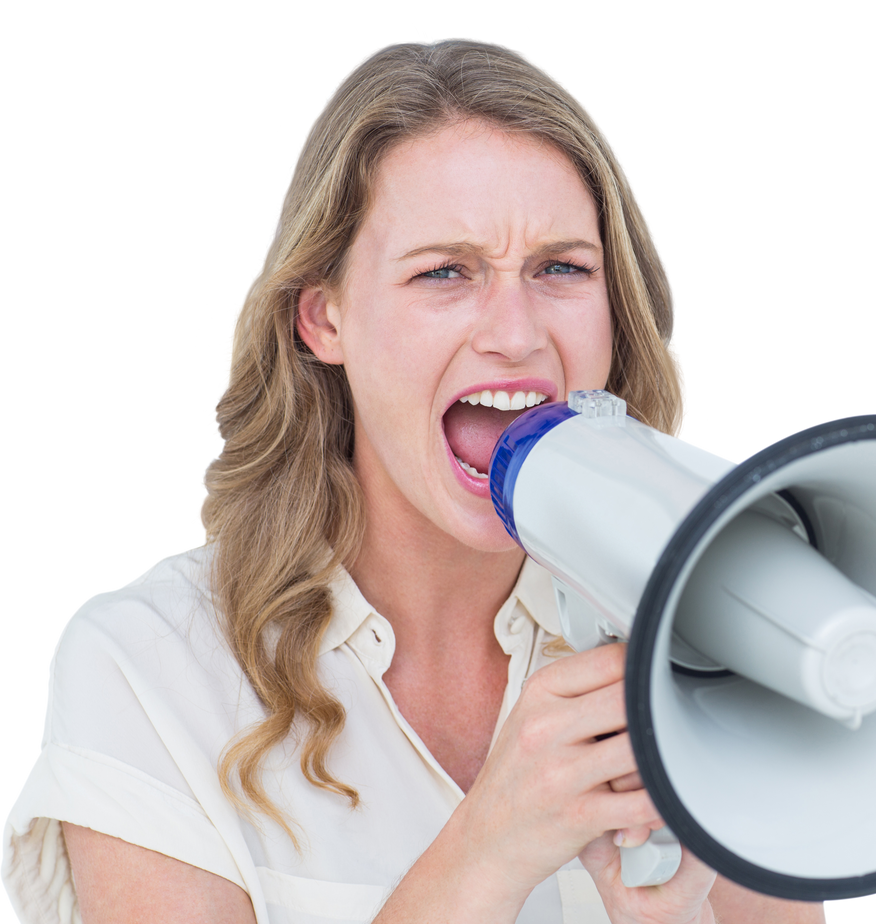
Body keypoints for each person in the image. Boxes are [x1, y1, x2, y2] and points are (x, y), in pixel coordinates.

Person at [2, 35, 827, 923]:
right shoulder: (149, 666)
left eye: (561, 269)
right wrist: (491, 846)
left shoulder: (707, 640)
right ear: (324, 318)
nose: (515, 333)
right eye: (445, 272)